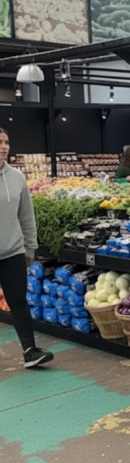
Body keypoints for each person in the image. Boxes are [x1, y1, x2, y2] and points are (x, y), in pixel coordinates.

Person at [0, 128, 53, 368]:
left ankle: (30, 351)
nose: (4, 147)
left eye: (7, 142)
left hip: (13, 252)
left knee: (18, 300)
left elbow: (26, 216)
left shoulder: (17, 177)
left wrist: (30, 248)